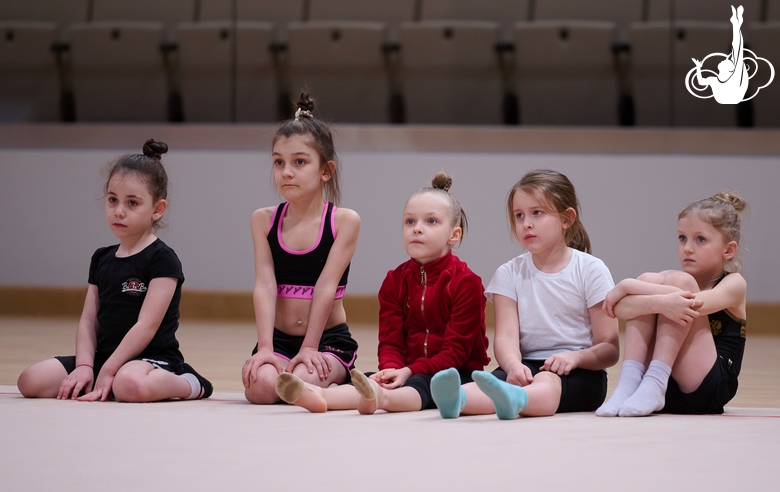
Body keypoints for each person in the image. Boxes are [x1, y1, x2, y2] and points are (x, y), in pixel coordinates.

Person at [274, 172, 490, 414]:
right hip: (405, 370)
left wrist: (408, 371)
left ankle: (382, 398)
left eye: (431, 222)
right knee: (367, 378)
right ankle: (320, 394)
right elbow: (390, 341)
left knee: (423, 383)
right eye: (410, 221)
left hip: (455, 373)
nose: (417, 229)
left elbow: (455, 353)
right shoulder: (394, 281)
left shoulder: (467, 283)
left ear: (454, 235)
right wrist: (390, 370)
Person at [17, 140, 212, 402]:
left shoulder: (162, 259)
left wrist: (109, 370)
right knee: (30, 381)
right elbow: (88, 321)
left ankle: (189, 383)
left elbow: (146, 326)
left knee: (129, 385)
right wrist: (86, 366)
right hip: (104, 357)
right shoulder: (101, 258)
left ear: (157, 209)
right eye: (112, 200)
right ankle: (107, 376)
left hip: (151, 359)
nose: (118, 211)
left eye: (132, 203)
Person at [430, 169, 619, 419]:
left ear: (567, 218)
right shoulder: (509, 273)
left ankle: (518, 399)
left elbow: (610, 348)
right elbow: (506, 338)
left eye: (537, 213)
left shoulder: (591, 270)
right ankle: (459, 399)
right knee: (491, 382)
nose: (526, 223)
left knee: (548, 382)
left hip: (581, 372)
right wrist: (513, 366)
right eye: (519, 215)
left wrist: (575, 358)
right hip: (526, 364)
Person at [242, 93, 361, 404]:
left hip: (326, 340)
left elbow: (326, 286)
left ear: (326, 170)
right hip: (279, 340)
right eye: (279, 162)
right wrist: (265, 348)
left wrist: (310, 347)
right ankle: (320, 389)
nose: (287, 172)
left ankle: (337, 391)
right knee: (260, 389)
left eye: (299, 162)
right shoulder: (263, 220)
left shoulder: (343, 222)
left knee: (299, 380)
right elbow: (265, 285)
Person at [596, 191, 748, 417]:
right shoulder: (668, 280)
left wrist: (628, 286)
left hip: (709, 389)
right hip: (670, 387)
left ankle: (655, 381)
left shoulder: (734, 284)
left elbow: (690, 303)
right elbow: (619, 309)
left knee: (678, 283)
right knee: (650, 278)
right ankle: (629, 383)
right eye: (682, 238)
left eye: (700, 239)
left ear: (728, 250)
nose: (687, 248)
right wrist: (652, 298)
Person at [690, 5, 749, 104]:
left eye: (728, 61)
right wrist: (698, 67)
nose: (725, 59)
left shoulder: (734, 79)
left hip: (732, 96)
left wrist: (736, 25)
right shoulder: (715, 80)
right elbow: (701, 82)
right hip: (728, 97)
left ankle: (736, 24)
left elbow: (737, 49)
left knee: (737, 52)